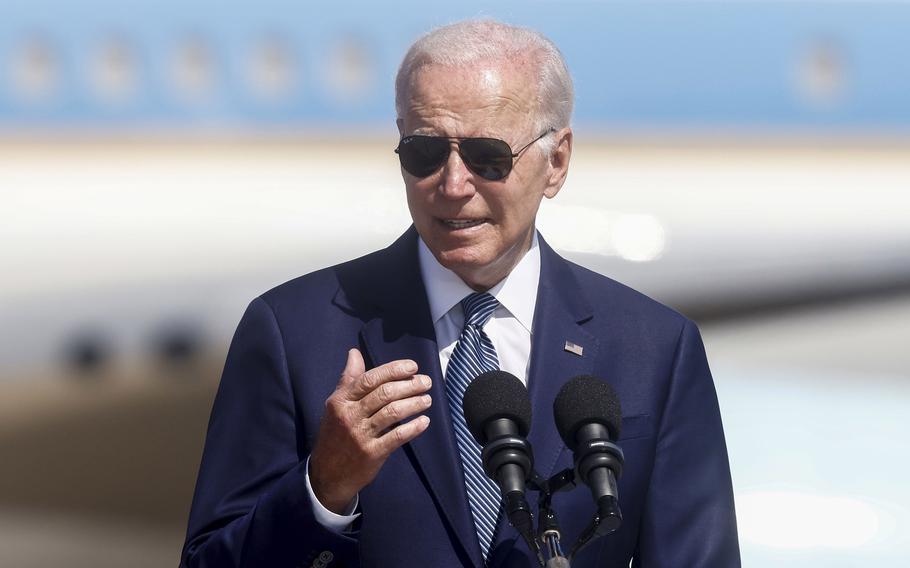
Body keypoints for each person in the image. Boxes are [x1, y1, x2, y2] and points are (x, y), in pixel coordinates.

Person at [181, 19, 740, 568]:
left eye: (487, 157)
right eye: (424, 154)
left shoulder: (654, 348)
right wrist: (323, 489)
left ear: (557, 162)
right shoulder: (293, 332)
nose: (452, 185)